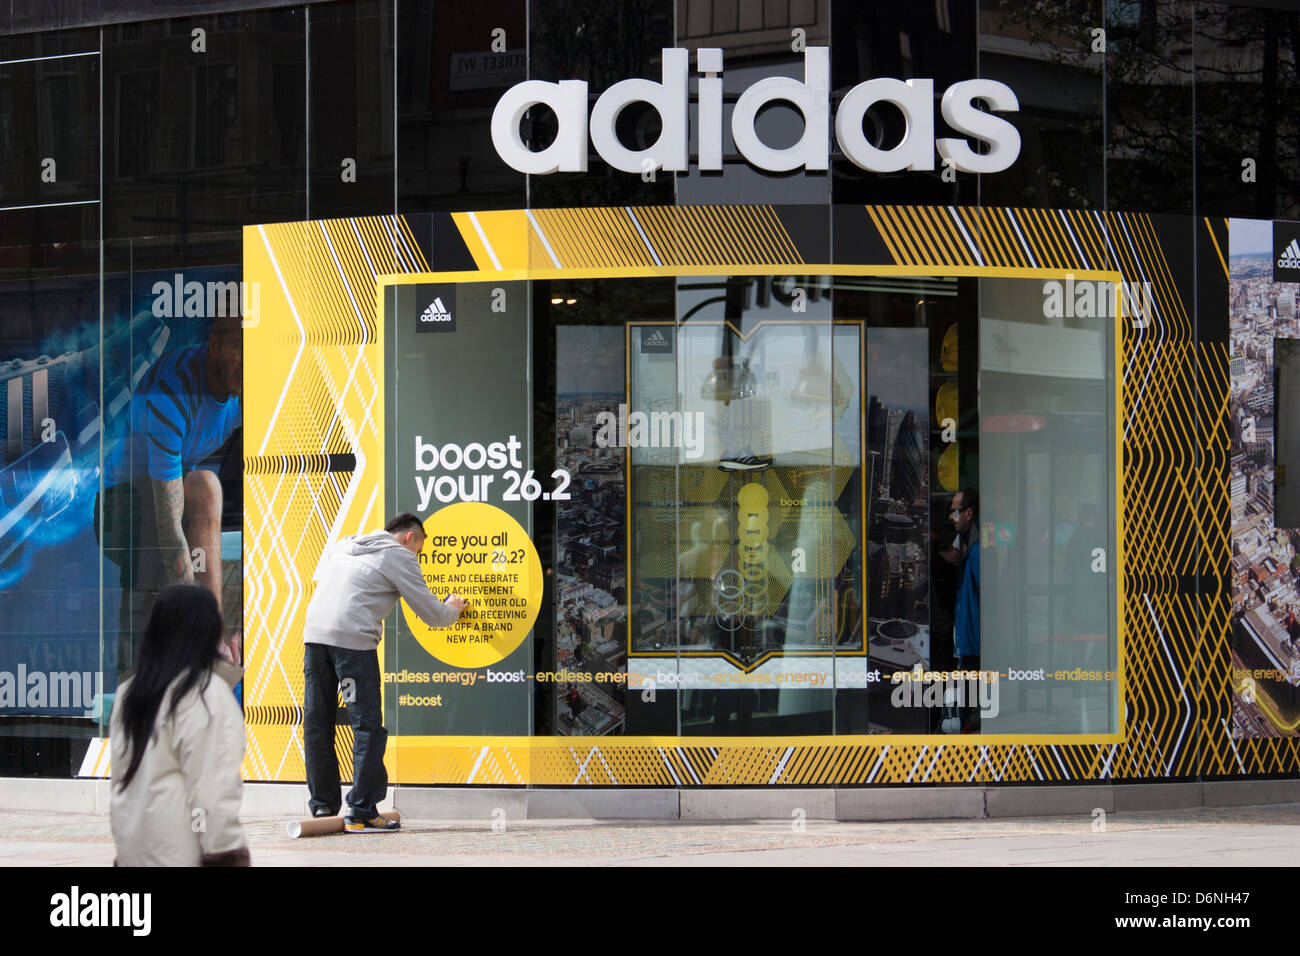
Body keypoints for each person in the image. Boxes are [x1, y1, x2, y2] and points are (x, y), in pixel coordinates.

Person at [97, 314, 243, 677]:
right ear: (215, 345)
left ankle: (213, 649)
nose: (249, 364)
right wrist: (201, 629)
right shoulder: (172, 395)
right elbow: (169, 528)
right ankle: (139, 678)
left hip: (168, 496)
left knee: (206, 492)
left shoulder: (247, 392)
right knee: (203, 488)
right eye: (240, 350)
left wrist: (233, 625)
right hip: (120, 506)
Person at [303, 513, 468, 831]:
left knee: (317, 722)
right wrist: (454, 609)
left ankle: (323, 806)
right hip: (351, 643)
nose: (416, 557)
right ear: (409, 538)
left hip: (314, 638)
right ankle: (362, 809)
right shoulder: (399, 556)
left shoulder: (346, 545)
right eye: (418, 550)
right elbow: (432, 614)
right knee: (366, 725)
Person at [110, 584, 249, 866]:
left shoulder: (129, 693)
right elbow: (215, 791)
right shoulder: (206, 694)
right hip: (182, 855)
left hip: (134, 852)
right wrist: (227, 856)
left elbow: (121, 783)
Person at [949, 488, 981, 732]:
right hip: (970, 639)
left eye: (955, 511)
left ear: (968, 513)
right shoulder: (968, 546)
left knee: (970, 708)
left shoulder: (979, 552)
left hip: (975, 641)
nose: (951, 517)